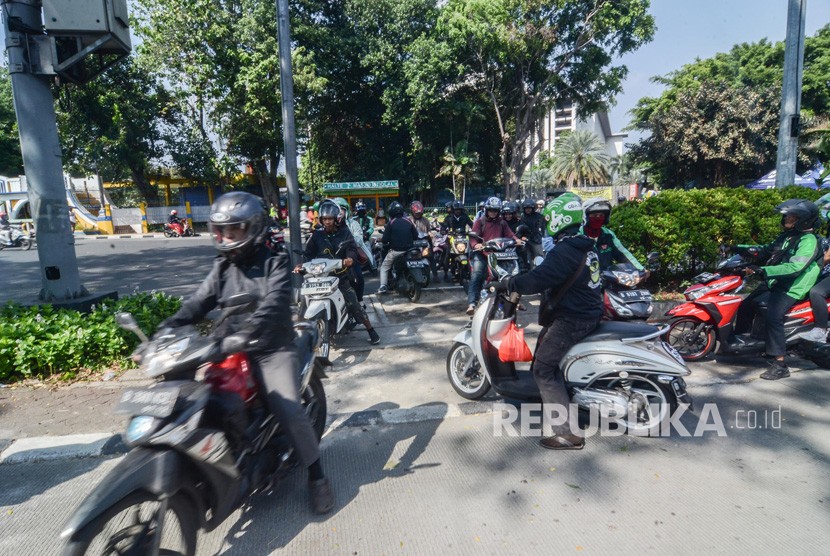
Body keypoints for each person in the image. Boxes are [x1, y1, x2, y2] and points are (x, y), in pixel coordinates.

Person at [157, 191, 335, 514]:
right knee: (192, 401)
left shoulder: (276, 261)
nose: (225, 237)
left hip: (270, 349)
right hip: (227, 348)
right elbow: (199, 301)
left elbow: (272, 306)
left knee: (289, 408)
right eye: (221, 231)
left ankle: (317, 476)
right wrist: (168, 326)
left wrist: (246, 336)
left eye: (233, 230)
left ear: (253, 228)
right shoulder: (223, 265)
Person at [495, 192, 602, 450]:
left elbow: (536, 280)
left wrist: (510, 282)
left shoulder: (566, 251)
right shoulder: (586, 246)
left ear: (558, 219)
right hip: (586, 312)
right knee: (543, 343)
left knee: (543, 369)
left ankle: (567, 434)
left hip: (572, 319)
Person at [732, 199, 822, 380]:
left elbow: (795, 268)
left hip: (792, 286)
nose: (787, 218)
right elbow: (765, 250)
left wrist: (762, 270)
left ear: (803, 219)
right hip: (776, 281)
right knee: (746, 305)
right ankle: (741, 345)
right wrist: (739, 248)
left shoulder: (808, 240)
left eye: (791, 216)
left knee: (774, 316)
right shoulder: (787, 236)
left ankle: (780, 364)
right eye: (787, 215)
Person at [298, 200, 380, 345]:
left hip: (341, 275)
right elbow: (308, 254)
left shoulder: (345, 233)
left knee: (353, 302)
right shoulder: (317, 235)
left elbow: (352, 249)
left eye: (330, 219)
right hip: (320, 276)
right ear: (321, 220)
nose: (328, 222)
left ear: (336, 219)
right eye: (325, 219)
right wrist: (302, 265)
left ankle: (371, 330)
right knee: (303, 301)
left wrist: (349, 259)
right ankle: (301, 334)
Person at [466, 197, 523, 315]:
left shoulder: (502, 222)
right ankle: (472, 303)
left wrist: (517, 240)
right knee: (477, 275)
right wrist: (476, 245)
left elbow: (510, 234)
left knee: (512, 274)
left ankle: (514, 301)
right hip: (482, 254)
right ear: (487, 210)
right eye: (491, 210)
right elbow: (473, 237)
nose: (493, 212)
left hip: (499, 254)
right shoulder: (480, 222)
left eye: (496, 210)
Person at [581, 198, 647, 274]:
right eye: (594, 215)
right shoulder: (578, 235)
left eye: (601, 215)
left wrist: (640, 269)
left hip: (606, 281)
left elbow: (623, 253)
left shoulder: (608, 234)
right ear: (586, 216)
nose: (598, 218)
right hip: (584, 283)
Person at [333, 197, 373, 304]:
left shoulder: (353, 224)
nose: (339, 213)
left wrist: (348, 241)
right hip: (332, 258)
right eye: (335, 210)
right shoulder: (328, 225)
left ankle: (359, 300)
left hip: (350, 256)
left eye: (341, 209)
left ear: (346, 211)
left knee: (358, 277)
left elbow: (359, 240)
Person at [377, 201, 417, 294]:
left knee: (384, 267)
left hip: (396, 251)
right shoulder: (408, 221)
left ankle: (383, 286)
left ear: (391, 212)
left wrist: (383, 240)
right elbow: (416, 235)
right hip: (410, 250)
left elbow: (385, 239)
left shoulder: (391, 222)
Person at [798, 238, 830, 343]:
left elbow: (827, 257)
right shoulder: (820, 239)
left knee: (817, 292)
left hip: (825, 273)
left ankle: (820, 330)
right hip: (822, 273)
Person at [408, 201, 439, 282]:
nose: (418, 214)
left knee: (431, 257)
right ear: (412, 212)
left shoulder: (425, 220)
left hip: (424, 242)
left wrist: (431, 234)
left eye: (419, 213)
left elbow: (429, 230)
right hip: (412, 242)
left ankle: (435, 275)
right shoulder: (408, 220)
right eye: (416, 213)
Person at [519, 198, 545, 264]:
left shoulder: (539, 216)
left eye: (530, 208)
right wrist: (522, 237)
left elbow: (540, 228)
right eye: (526, 208)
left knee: (539, 256)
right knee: (522, 252)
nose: (528, 209)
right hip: (525, 239)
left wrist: (537, 236)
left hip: (536, 239)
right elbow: (520, 229)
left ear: (533, 208)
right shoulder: (522, 217)